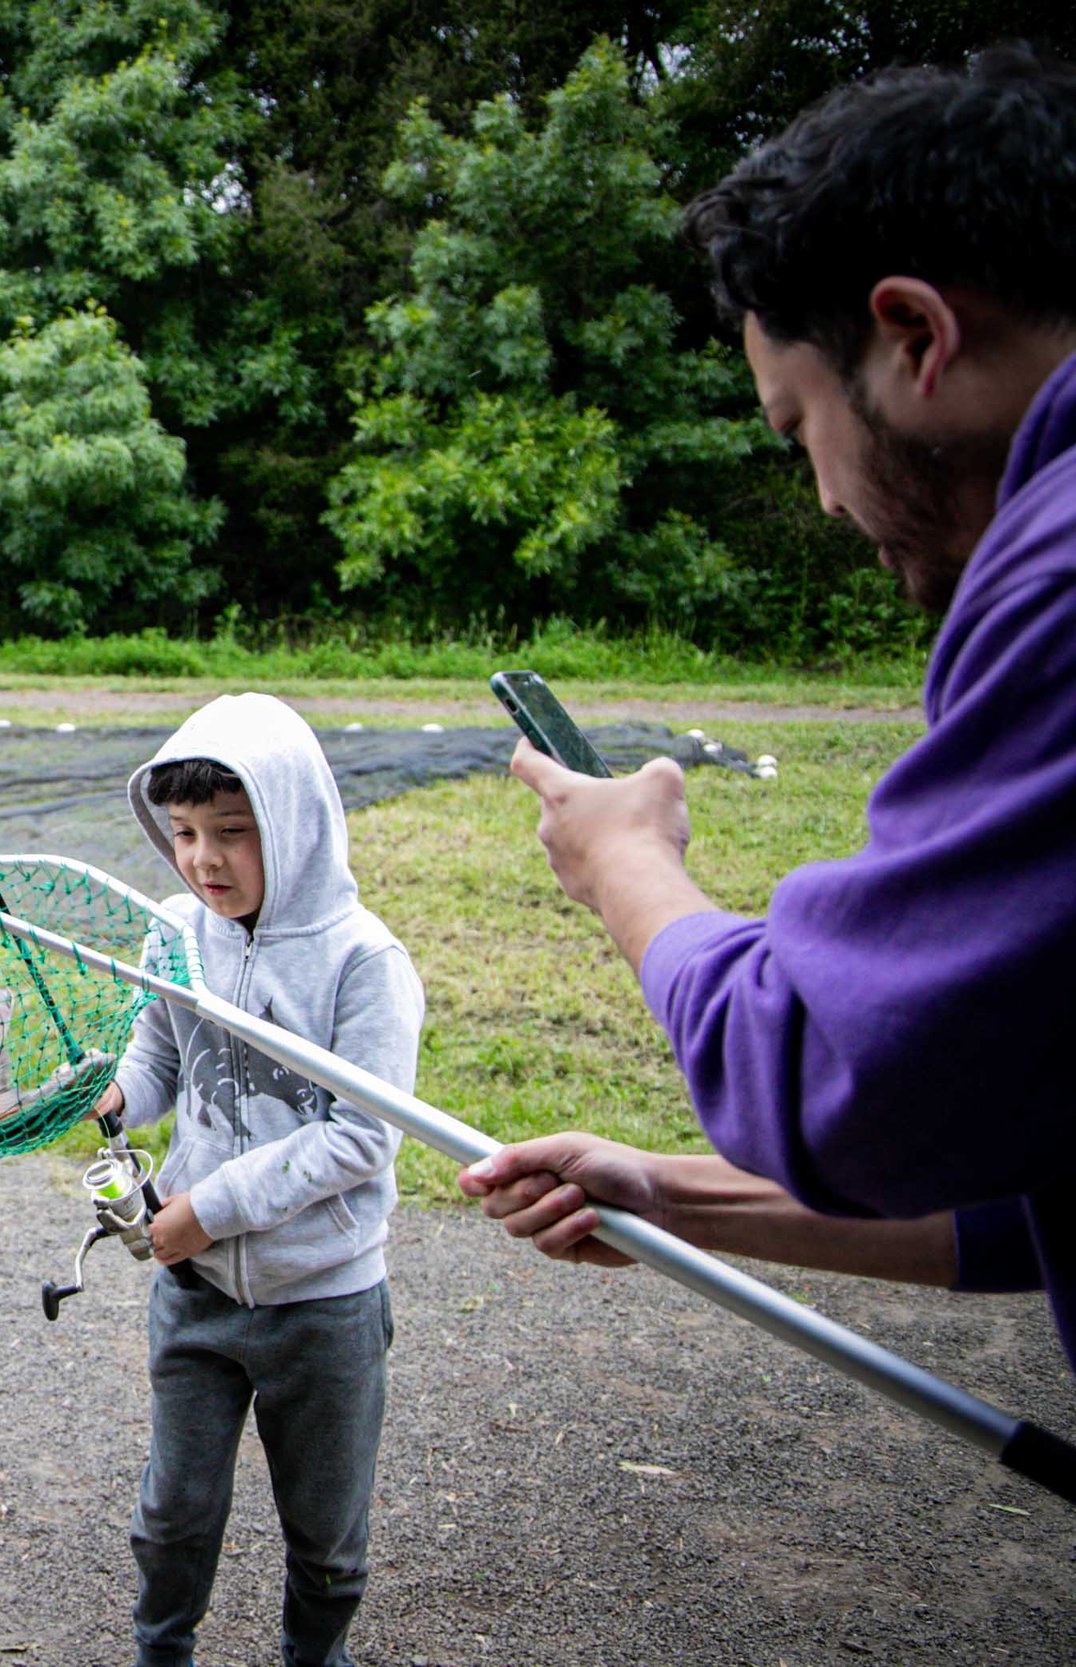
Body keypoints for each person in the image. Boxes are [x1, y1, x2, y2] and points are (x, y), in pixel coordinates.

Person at [464, 49, 1076, 1375]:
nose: (823, 498)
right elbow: (1024, 1151)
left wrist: (626, 863)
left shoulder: (1061, 573)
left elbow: (840, 1071)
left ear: (914, 334)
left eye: (799, 426)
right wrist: (679, 1196)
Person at [94, 694, 424, 1667]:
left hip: (323, 1304)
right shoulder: (172, 928)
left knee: (326, 1540)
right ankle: (162, 1651)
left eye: (234, 833)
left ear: (295, 824)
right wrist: (110, 1094)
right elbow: (158, 1058)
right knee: (171, 1513)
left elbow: (359, 1138)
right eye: (185, 832)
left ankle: (313, 1658)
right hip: (193, 1293)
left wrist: (205, 1208)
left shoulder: (365, 963)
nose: (203, 858)